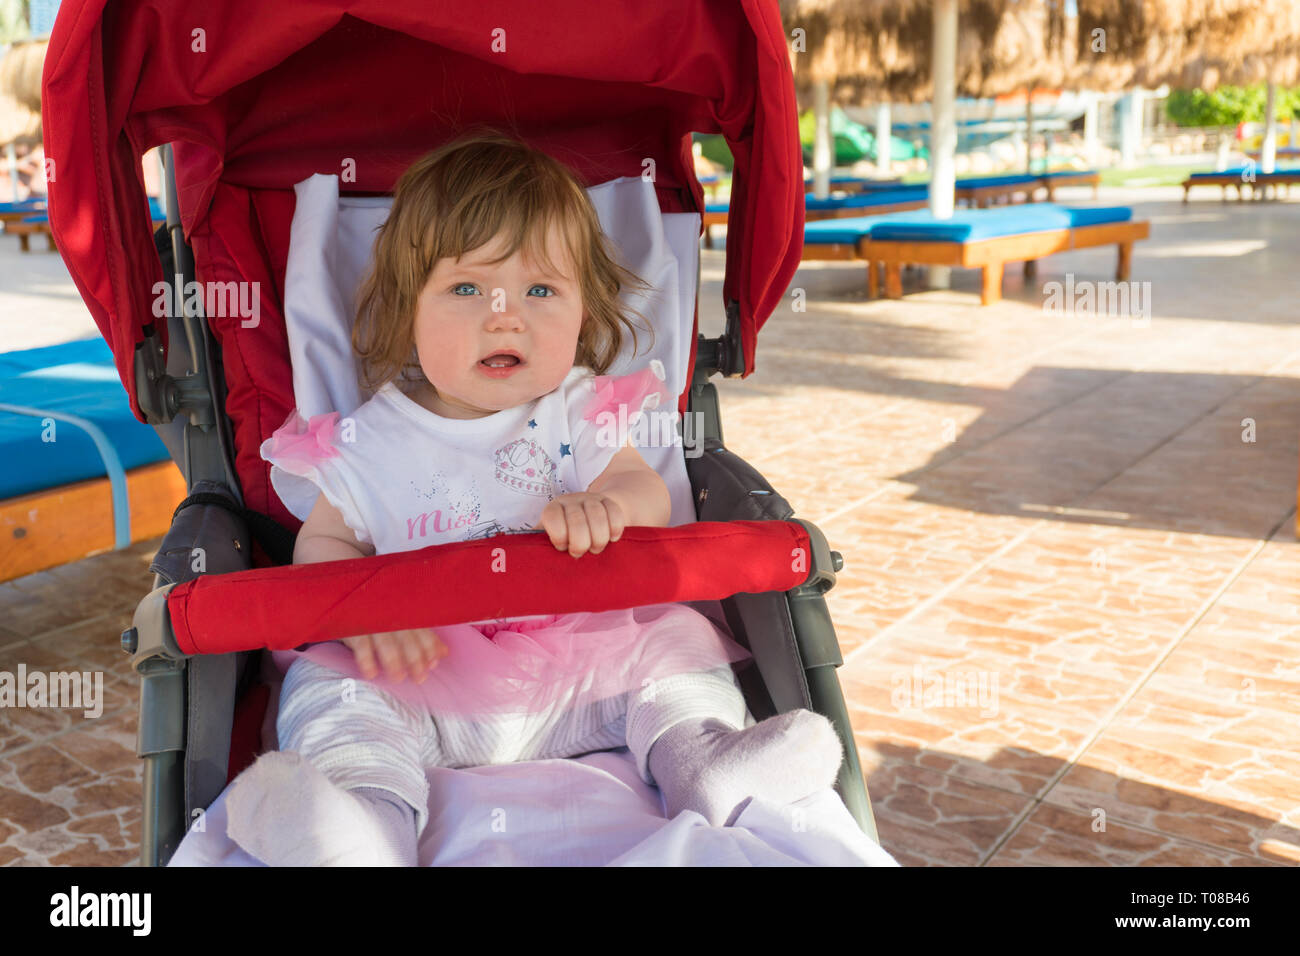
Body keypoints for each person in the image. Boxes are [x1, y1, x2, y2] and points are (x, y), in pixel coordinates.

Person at [224, 130, 843, 866]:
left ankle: (704, 761)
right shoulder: (368, 439)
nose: (504, 315)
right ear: (404, 311)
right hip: (424, 676)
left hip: (586, 668)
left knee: (675, 644)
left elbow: (645, 487)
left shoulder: (577, 409)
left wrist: (611, 502)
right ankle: (358, 823)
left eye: (540, 290)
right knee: (334, 691)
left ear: (584, 311)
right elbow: (321, 545)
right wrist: (362, 615)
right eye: (465, 289)